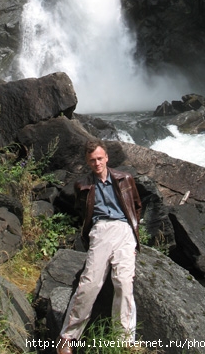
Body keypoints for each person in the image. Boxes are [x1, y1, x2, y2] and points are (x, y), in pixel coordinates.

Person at [56, 139, 142, 354]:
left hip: (124, 229)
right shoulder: (83, 185)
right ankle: (67, 337)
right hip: (101, 229)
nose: (97, 163)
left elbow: (136, 206)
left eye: (100, 158)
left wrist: (133, 234)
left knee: (123, 281)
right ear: (87, 161)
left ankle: (124, 339)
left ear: (107, 158)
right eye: (92, 160)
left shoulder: (125, 178)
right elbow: (81, 211)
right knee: (90, 283)